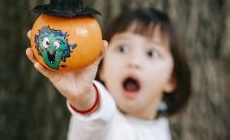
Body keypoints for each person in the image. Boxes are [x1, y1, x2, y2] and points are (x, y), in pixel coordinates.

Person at [26, 8, 191, 140]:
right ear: (102, 68)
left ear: (171, 79)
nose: (134, 61)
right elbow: (98, 117)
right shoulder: (103, 122)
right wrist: (84, 99)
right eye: (122, 49)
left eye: (151, 53)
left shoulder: (159, 124)